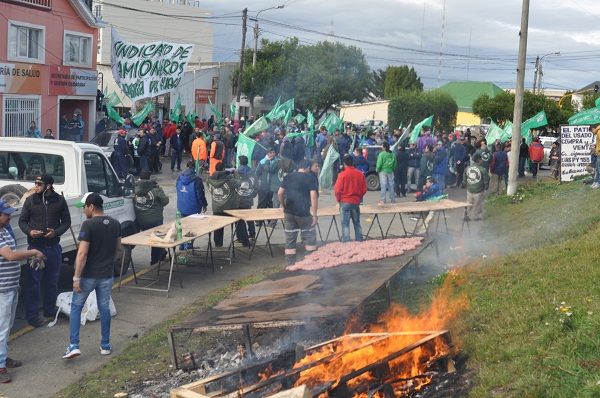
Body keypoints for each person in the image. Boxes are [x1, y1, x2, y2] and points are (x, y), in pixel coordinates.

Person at [62, 193, 121, 360]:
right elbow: (118, 249)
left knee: (76, 307)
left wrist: (76, 277)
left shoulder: (88, 225)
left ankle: (73, 345)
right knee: (104, 308)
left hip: (88, 275)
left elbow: (82, 253)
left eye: (84, 208)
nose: (83, 212)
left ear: (92, 207)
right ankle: (105, 345)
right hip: (106, 275)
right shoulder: (116, 224)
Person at [0, 200, 45, 383]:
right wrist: (33, 252)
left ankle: (3, 358)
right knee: (2, 329)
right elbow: (10, 255)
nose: (10, 216)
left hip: (10, 286)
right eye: (6, 214)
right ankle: (0, 368)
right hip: (2, 290)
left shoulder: (4, 231)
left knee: (6, 328)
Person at [18, 174, 71, 328]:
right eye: (35, 183)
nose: (36, 186)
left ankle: (49, 309)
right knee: (33, 283)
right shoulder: (31, 200)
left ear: (48, 185)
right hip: (35, 248)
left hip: (53, 248)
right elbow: (22, 221)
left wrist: (56, 232)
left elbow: (66, 221)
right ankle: (32, 316)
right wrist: (29, 231)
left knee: (52, 281)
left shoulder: (59, 201)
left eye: (39, 184)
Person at [277, 160, 318, 266]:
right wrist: (314, 214)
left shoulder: (288, 176)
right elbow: (313, 196)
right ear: (308, 168)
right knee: (309, 238)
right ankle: (310, 264)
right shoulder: (310, 178)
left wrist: (283, 205)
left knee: (290, 239)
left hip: (289, 213)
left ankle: (290, 265)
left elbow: (280, 193)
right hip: (304, 214)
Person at [134, 170, 169, 265]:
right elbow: (165, 201)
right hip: (155, 220)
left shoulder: (134, 188)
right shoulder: (155, 189)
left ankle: (162, 253)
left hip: (141, 220)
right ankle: (154, 261)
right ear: (149, 178)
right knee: (156, 240)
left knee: (154, 239)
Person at [207, 163, 242, 247]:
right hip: (229, 207)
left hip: (217, 207)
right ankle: (243, 239)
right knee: (239, 222)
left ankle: (218, 244)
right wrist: (235, 174)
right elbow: (239, 184)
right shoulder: (230, 180)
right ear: (223, 169)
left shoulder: (209, 180)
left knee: (218, 227)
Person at [334, 155, 367, 242]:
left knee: (345, 224)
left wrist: (339, 199)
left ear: (344, 164)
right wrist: (359, 197)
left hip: (344, 202)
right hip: (356, 202)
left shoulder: (342, 175)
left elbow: (337, 190)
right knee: (357, 223)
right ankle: (359, 240)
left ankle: (346, 243)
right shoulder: (360, 174)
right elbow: (364, 188)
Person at [234, 155, 256, 241]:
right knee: (249, 218)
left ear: (240, 162)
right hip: (248, 198)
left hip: (238, 198)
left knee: (238, 219)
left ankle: (240, 237)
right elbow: (256, 184)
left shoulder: (236, 171)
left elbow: (234, 184)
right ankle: (252, 235)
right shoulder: (252, 171)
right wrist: (252, 194)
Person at [465, 153, 490, 221]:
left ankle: (466, 215)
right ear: (479, 160)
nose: (482, 160)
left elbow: (465, 178)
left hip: (469, 189)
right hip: (478, 190)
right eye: (481, 159)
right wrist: (486, 187)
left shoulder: (468, 168)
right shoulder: (483, 169)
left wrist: (465, 184)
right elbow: (486, 180)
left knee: (469, 202)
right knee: (478, 203)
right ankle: (476, 216)